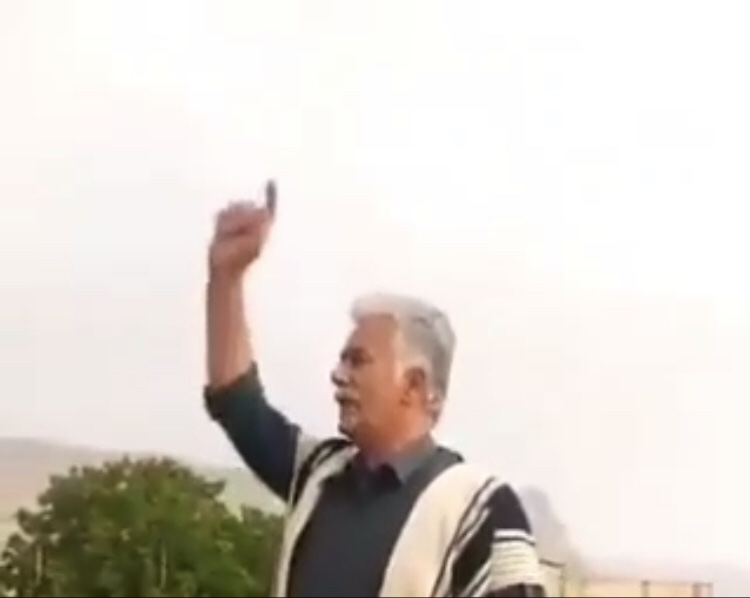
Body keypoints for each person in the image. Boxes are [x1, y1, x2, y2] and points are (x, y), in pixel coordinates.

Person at [203, 185, 547, 597]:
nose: (338, 375)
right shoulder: (320, 474)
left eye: (358, 361)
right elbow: (237, 402)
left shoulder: (481, 509)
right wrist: (225, 278)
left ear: (414, 385)